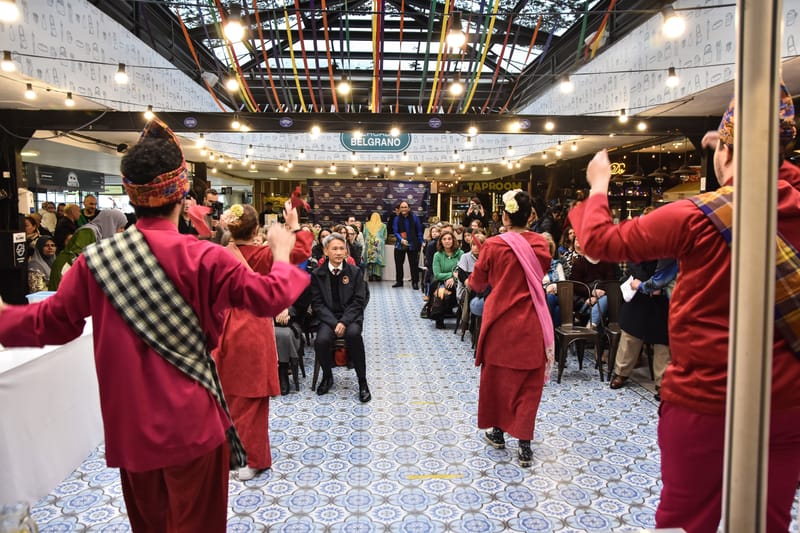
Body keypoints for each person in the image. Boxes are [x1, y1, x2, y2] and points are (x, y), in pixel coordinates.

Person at [0, 118, 309, 532]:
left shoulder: (95, 262)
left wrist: (4, 317)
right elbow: (270, 298)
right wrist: (285, 250)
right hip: (194, 425)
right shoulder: (205, 258)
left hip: (130, 430)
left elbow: (52, 324)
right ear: (182, 193)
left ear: (130, 193)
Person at [571, 85, 800, 533]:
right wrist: (739, 150)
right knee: (769, 521)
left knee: (685, 519)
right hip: (788, 404)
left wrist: (599, 187)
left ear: (728, 151)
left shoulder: (694, 216)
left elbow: (601, 244)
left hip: (706, 403)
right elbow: (779, 175)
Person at [212, 202, 312, 481]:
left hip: (219, 329)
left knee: (225, 396)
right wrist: (294, 224)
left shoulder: (215, 254)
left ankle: (225, 454)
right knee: (252, 402)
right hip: (251, 330)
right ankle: (249, 460)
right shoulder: (263, 256)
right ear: (256, 230)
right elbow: (301, 252)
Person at [467, 189, 554, 468]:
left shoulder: (493, 245)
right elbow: (540, 273)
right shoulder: (541, 244)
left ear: (504, 216)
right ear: (531, 216)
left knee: (497, 382)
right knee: (528, 386)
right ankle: (525, 446)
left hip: (500, 324)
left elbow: (478, 283)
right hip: (531, 323)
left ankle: (498, 433)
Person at [310, 233, 370, 402]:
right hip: (328, 318)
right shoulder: (317, 274)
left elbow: (359, 301)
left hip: (350, 317)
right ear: (326, 251)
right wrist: (334, 322)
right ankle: (327, 376)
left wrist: (344, 321)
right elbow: (317, 304)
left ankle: (362, 382)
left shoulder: (355, 272)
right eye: (334, 248)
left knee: (353, 335)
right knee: (321, 341)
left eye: (341, 248)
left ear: (346, 251)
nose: (338, 252)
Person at [48, 209, 128, 290]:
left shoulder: (99, 234)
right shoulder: (88, 232)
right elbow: (79, 258)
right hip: (66, 270)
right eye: (121, 227)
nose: (122, 231)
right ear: (111, 224)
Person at [428, 230, 463, 329]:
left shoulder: (461, 253)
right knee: (441, 291)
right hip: (440, 282)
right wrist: (451, 275)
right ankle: (439, 318)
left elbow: (461, 271)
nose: (447, 241)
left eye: (449, 239)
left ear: (453, 240)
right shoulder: (437, 255)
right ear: (441, 242)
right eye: (444, 239)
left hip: (458, 282)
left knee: (448, 288)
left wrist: (453, 278)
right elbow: (437, 274)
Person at [391, 201, 424, 289]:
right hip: (400, 244)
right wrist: (401, 240)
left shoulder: (415, 218)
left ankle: (415, 282)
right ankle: (399, 281)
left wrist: (421, 242)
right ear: (399, 209)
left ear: (409, 208)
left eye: (405, 207)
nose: (404, 209)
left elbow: (419, 231)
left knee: (413, 264)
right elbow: (395, 231)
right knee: (398, 264)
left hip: (413, 244)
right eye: (402, 207)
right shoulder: (397, 219)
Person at [363, 212, 387, 282]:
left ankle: (370, 275)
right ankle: (378, 275)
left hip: (369, 244)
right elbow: (385, 236)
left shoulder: (366, 225)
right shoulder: (383, 225)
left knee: (370, 260)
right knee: (378, 260)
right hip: (378, 245)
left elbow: (364, 234)